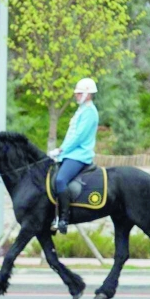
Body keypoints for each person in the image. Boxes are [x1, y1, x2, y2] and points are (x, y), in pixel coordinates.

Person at [48, 78, 99, 234]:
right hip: (71, 154)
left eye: (79, 93)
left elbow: (78, 137)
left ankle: (63, 219)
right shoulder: (82, 110)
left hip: (80, 155)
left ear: (88, 94)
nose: (76, 95)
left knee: (60, 180)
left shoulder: (90, 112)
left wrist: (61, 149)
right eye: (76, 93)